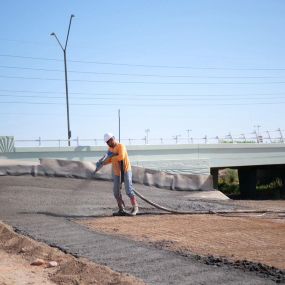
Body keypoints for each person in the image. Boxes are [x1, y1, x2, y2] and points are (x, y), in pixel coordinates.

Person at [98, 132, 139, 216]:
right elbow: (109, 160)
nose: (109, 143)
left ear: (113, 138)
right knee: (116, 192)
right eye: (107, 142)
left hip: (126, 170)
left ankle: (135, 207)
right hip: (117, 172)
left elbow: (121, 157)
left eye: (110, 141)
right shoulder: (110, 149)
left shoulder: (121, 146)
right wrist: (102, 162)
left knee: (129, 190)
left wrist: (111, 157)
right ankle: (121, 209)